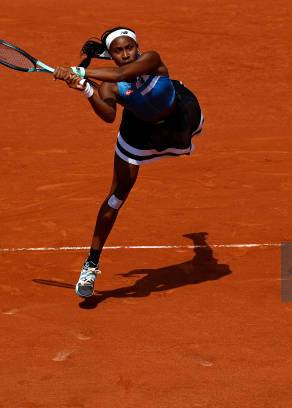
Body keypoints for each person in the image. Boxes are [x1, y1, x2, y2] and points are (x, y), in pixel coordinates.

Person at [53, 27, 204, 298]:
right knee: (117, 196)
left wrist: (80, 72)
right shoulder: (110, 84)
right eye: (118, 51)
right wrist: (87, 89)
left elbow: (124, 74)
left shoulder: (152, 60)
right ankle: (91, 264)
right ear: (110, 55)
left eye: (129, 48)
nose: (125, 54)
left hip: (178, 119)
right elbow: (109, 114)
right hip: (139, 130)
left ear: (138, 47)